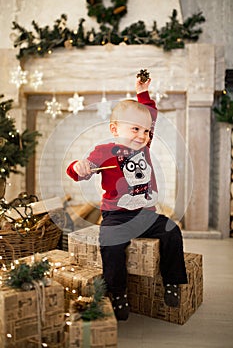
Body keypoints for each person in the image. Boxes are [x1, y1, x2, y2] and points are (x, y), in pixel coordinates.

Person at [67, 74, 187, 321]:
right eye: (135, 129)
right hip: (116, 215)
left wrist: (143, 94)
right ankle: (118, 292)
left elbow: (149, 117)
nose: (142, 135)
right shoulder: (103, 152)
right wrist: (77, 167)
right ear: (115, 129)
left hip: (145, 214)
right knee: (111, 245)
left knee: (172, 230)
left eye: (145, 131)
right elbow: (79, 173)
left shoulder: (144, 147)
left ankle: (172, 282)